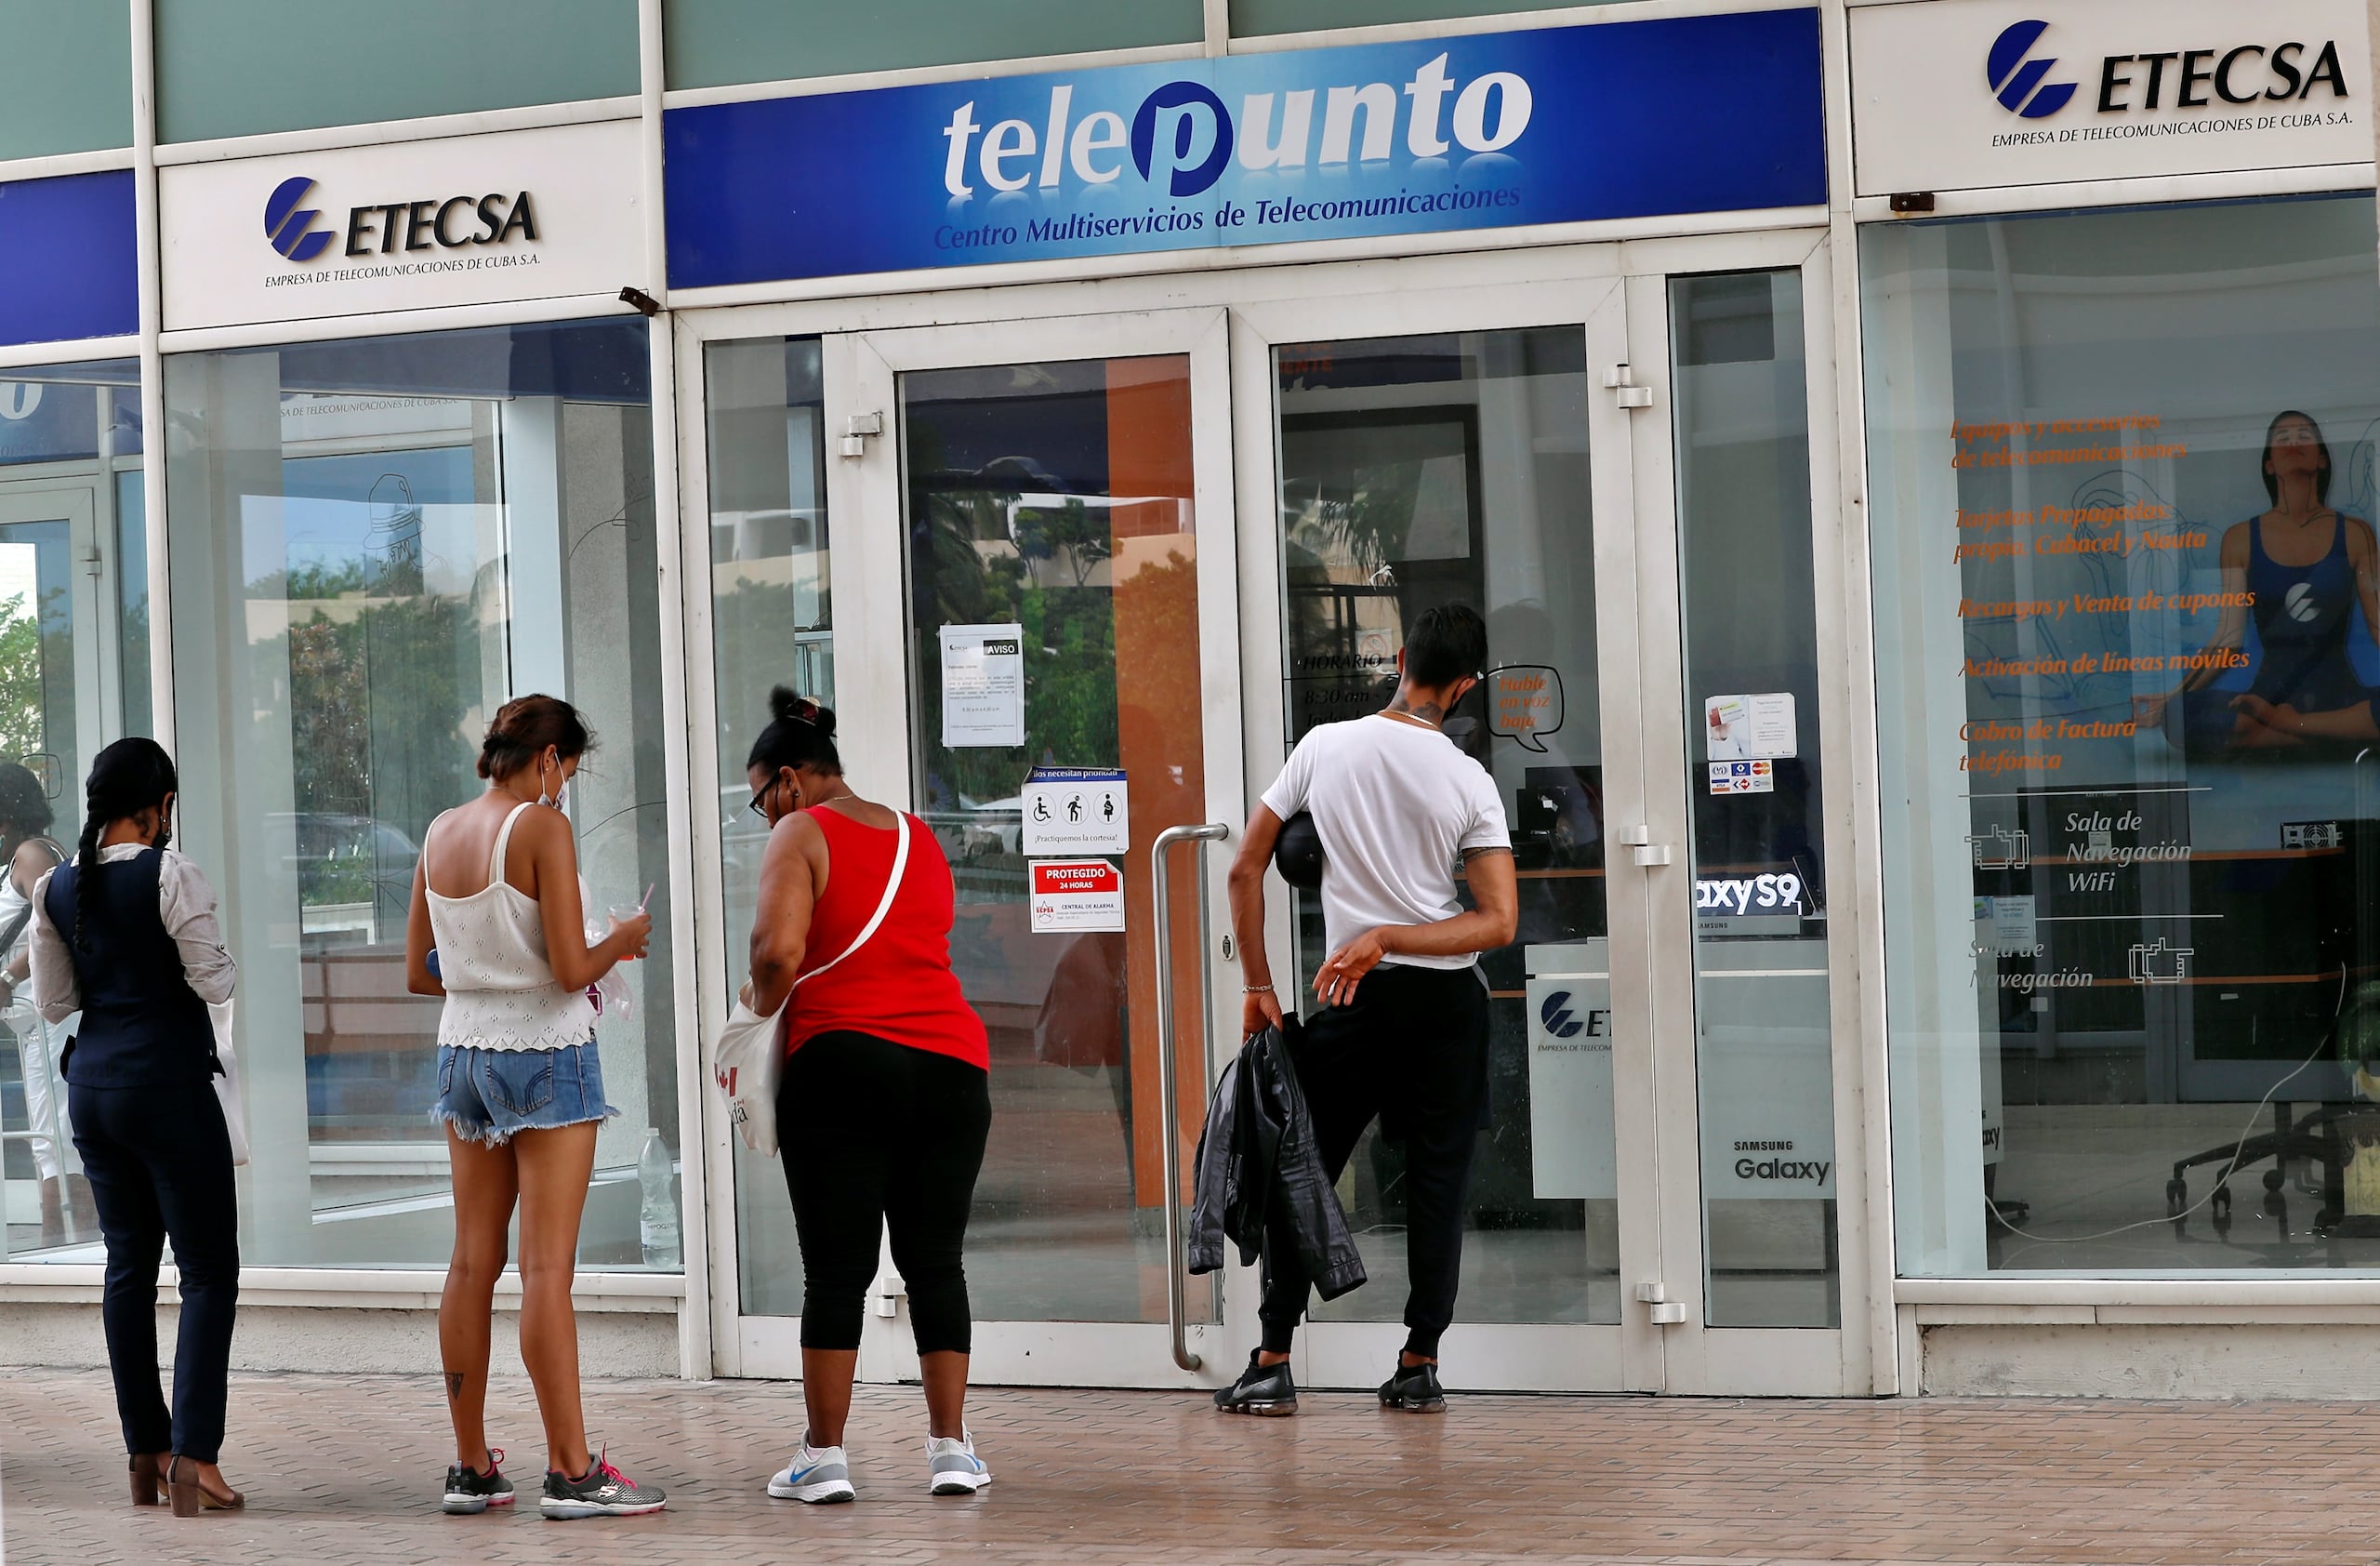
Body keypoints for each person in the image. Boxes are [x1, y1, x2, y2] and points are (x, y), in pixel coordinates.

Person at [1219, 604, 1518, 1415]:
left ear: (1398, 658)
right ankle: (1418, 1363)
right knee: (1436, 1183)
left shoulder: (1324, 746)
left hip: (1348, 997)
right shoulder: (1469, 779)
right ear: (1465, 685)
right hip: (1446, 1003)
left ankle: (1273, 1359)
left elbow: (1245, 871)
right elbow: (1497, 922)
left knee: (1300, 1173)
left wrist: (1259, 988)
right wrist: (1396, 934)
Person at [403, 695, 664, 1520]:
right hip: (547, 1054)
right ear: (548, 759)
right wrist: (625, 936)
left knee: (471, 1262)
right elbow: (568, 968)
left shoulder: (441, 831)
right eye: (568, 775)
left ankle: (472, 1467)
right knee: (547, 1269)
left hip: (462, 1054)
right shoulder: (541, 829)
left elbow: (421, 970)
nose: (564, 794)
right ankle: (573, 1469)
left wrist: (487, 971)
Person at [742, 687, 993, 1505]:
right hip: (952, 1065)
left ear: (788, 781)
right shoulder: (920, 835)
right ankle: (952, 1449)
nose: (763, 817)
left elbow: (777, 954)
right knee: (936, 1263)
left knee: (837, 1271)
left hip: (844, 1061)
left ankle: (824, 1457)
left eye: (758, 801)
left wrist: (750, 1014)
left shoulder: (799, 831)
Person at [26, 738, 242, 1514]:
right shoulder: (171, 873)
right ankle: (198, 1458)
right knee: (209, 1271)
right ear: (159, 808)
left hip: (94, 1090)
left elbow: (54, 1005)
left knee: (128, 1269)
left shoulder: (55, 886)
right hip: (170, 1089)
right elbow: (212, 978)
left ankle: (144, 1453)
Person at [2135, 410, 2380, 751]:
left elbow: (2378, 626)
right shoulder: (2240, 539)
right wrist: (2171, 701)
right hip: (2265, 698)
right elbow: (2227, 640)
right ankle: (2331, 737)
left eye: (2303, 436)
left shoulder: (2355, 534)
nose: (2294, 442)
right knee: (2181, 715)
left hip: (2338, 695)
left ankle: (2286, 731)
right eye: (2283, 438)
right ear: (2269, 465)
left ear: (2322, 459)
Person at [0, 761, 72, 1234]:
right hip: (34, 1018)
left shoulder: (32, 854)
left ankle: (65, 1247)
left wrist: (8, 977)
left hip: (48, 1014)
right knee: (52, 1135)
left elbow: (56, 922)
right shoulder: (23, 855)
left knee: (57, 1138)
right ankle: (62, 1244)